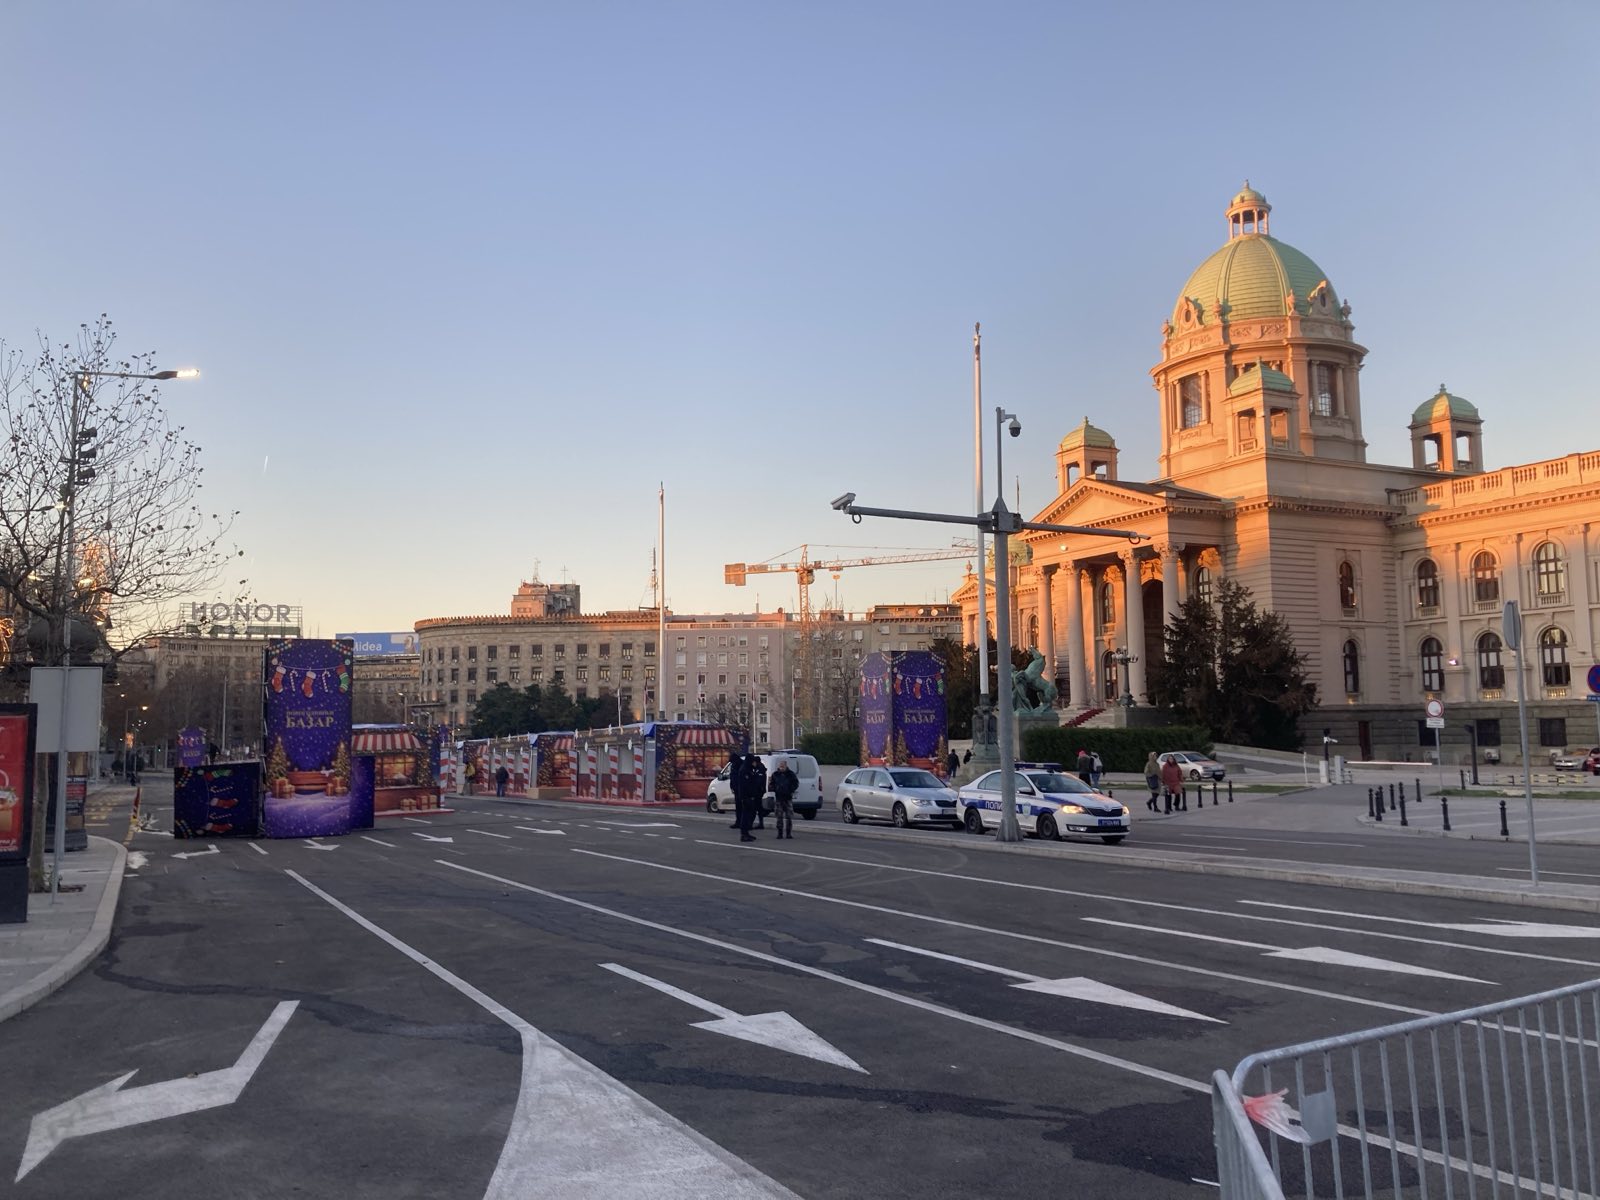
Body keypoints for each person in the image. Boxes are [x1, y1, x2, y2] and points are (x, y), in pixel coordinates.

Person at [769, 757, 799, 839]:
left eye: (783, 766)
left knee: (789, 816)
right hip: (779, 798)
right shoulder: (775, 774)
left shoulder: (791, 774)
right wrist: (775, 788)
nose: (781, 767)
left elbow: (795, 783)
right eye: (780, 766)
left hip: (788, 798)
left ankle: (788, 833)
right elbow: (771, 784)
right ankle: (780, 833)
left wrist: (790, 789)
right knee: (779, 816)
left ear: (786, 766)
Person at [746, 753, 769, 831]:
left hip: (758, 791)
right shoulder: (757, 769)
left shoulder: (760, 769)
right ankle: (759, 823)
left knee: (755, 808)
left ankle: (755, 824)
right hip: (757, 791)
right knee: (758, 808)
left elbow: (759, 781)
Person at [726, 753, 748, 829]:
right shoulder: (734, 765)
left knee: (742, 807)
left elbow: (742, 778)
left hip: (741, 789)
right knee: (738, 807)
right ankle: (738, 822)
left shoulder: (742, 765)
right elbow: (732, 776)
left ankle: (743, 823)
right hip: (736, 789)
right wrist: (732, 785)